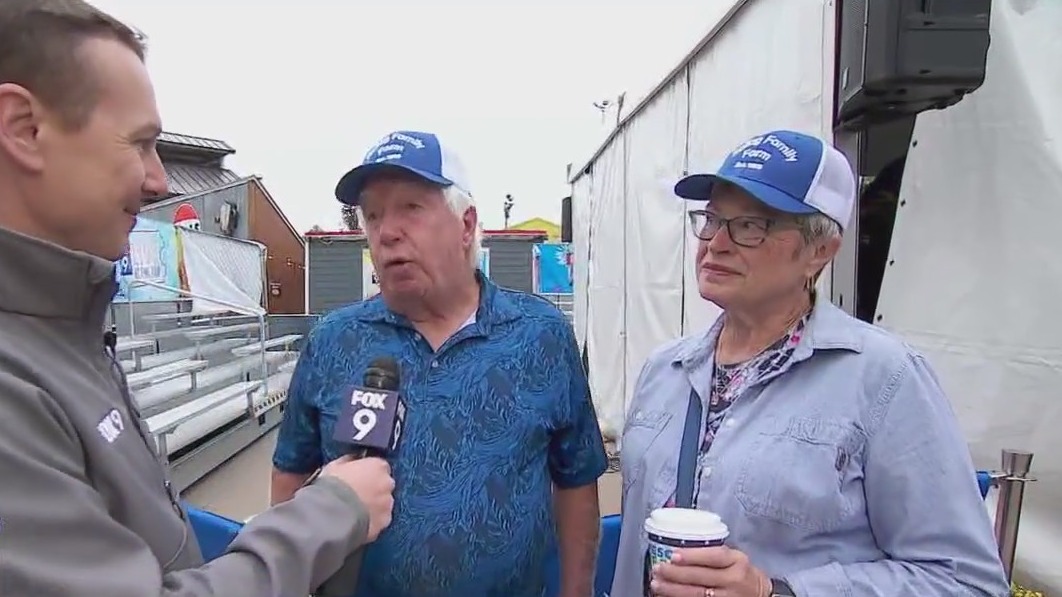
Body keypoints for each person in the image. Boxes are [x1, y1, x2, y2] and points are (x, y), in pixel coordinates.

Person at [0, 2, 395, 596]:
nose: (158, 179)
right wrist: (333, 512)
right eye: (140, 143)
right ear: (23, 128)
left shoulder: (63, 324)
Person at [612, 130, 1010, 597]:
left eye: (750, 226)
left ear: (820, 251)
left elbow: (965, 581)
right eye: (712, 219)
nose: (716, 243)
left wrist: (777, 591)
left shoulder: (886, 378)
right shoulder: (664, 369)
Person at [271, 130, 609, 597]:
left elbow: (576, 479)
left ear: (466, 225)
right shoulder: (334, 340)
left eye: (411, 208)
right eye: (372, 214)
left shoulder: (540, 335)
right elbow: (290, 469)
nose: (386, 232)